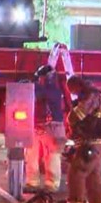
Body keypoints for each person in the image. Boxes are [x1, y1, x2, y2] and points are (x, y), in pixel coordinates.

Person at [63, 75, 101, 203]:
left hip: (88, 141)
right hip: (96, 143)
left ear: (77, 85)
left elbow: (78, 115)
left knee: (76, 172)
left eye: (72, 89)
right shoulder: (97, 94)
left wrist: (69, 117)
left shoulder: (90, 96)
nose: (72, 93)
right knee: (93, 175)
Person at [25, 65, 65, 193]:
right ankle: (33, 182)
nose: (39, 80)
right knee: (31, 154)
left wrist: (30, 85)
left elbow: (37, 95)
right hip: (39, 126)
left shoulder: (52, 90)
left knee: (52, 156)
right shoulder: (51, 89)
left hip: (53, 127)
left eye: (41, 78)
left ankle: (51, 184)